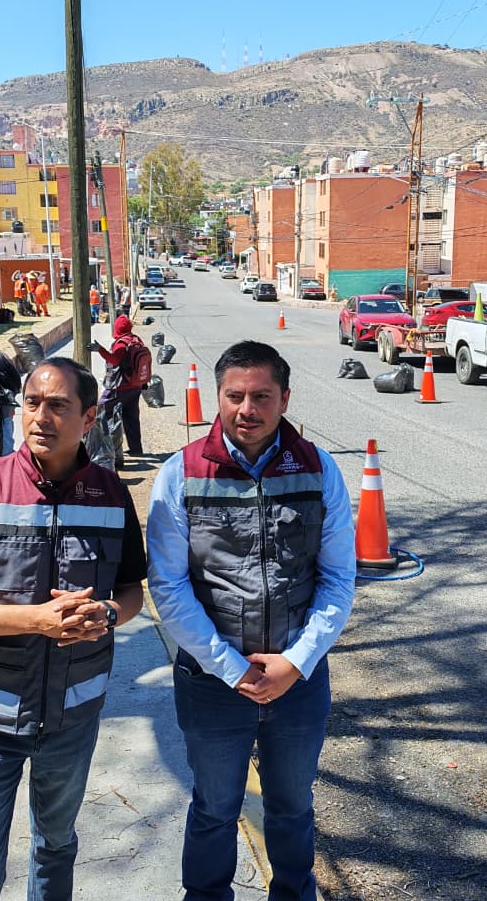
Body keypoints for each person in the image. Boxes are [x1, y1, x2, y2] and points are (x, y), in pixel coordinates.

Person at [0, 357, 147, 901]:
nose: (41, 417)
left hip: (73, 716)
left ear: (88, 418)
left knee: (55, 846)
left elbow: (131, 592)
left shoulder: (112, 495)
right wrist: (35, 621)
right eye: (32, 402)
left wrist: (107, 615)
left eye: (59, 406)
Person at [146, 340, 356, 901]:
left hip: (298, 683)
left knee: (293, 806)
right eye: (235, 396)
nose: (247, 409)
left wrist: (296, 662)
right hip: (211, 682)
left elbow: (338, 579)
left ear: (284, 398)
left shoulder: (319, 469)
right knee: (214, 809)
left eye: (262, 396)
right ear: (218, 397)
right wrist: (229, 667)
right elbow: (168, 585)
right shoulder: (181, 473)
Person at [92, 315, 149, 469]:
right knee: (131, 417)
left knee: (102, 413)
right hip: (135, 386)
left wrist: (99, 350)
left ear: (117, 329)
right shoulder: (136, 340)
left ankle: (110, 452)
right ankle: (136, 449)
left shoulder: (121, 344)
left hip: (119, 387)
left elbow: (115, 360)